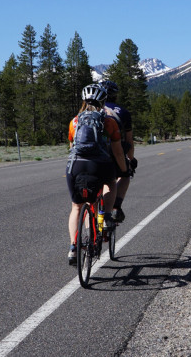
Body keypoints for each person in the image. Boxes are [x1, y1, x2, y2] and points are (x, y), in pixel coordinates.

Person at [65, 83, 128, 265]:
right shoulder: (108, 122)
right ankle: (107, 216)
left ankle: (73, 247)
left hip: (75, 166)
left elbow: (71, 148)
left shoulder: (74, 122)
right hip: (99, 165)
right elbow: (117, 152)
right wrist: (123, 170)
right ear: (103, 101)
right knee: (111, 183)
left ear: (84, 101)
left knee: (77, 207)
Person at [101, 80, 137, 223]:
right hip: (113, 152)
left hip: (90, 154)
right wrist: (131, 159)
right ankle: (115, 207)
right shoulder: (123, 112)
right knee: (125, 175)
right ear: (115, 96)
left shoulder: (90, 110)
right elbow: (129, 141)